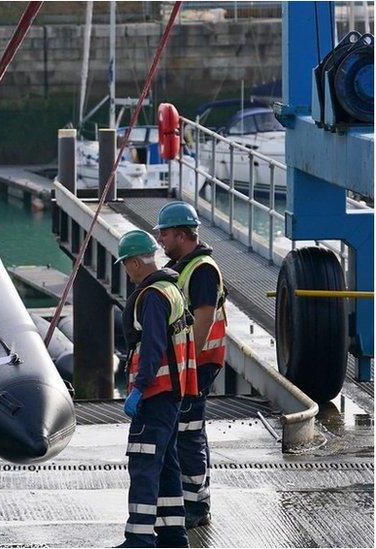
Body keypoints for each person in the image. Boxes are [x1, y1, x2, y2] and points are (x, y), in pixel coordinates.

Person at [114, 230, 199, 548]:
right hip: (173, 393)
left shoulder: (151, 296)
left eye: (126, 264)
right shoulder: (171, 290)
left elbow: (152, 347)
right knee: (165, 463)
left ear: (136, 262)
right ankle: (173, 534)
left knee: (143, 461)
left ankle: (139, 537)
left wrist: (139, 388)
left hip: (156, 393)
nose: (127, 271)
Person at [155, 202, 228, 528]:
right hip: (193, 363)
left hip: (198, 364)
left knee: (188, 433)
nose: (160, 238)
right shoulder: (185, 265)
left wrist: (187, 366)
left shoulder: (202, 270)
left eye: (166, 233)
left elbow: (203, 318)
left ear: (183, 235)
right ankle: (195, 501)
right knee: (190, 432)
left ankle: (196, 507)